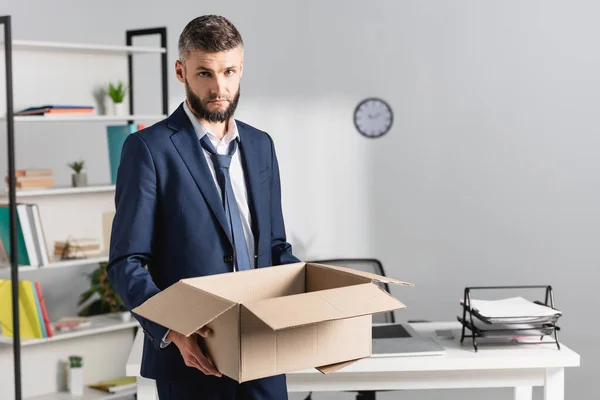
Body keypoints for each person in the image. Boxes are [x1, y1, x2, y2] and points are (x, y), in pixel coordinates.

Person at [107, 14, 299, 400]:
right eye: (205, 73)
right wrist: (173, 330)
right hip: (191, 356)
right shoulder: (148, 150)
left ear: (241, 68)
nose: (219, 87)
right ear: (181, 72)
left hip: (264, 351)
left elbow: (275, 248)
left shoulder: (262, 145)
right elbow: (125, 262)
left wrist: (310, 306)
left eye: (229, 72)